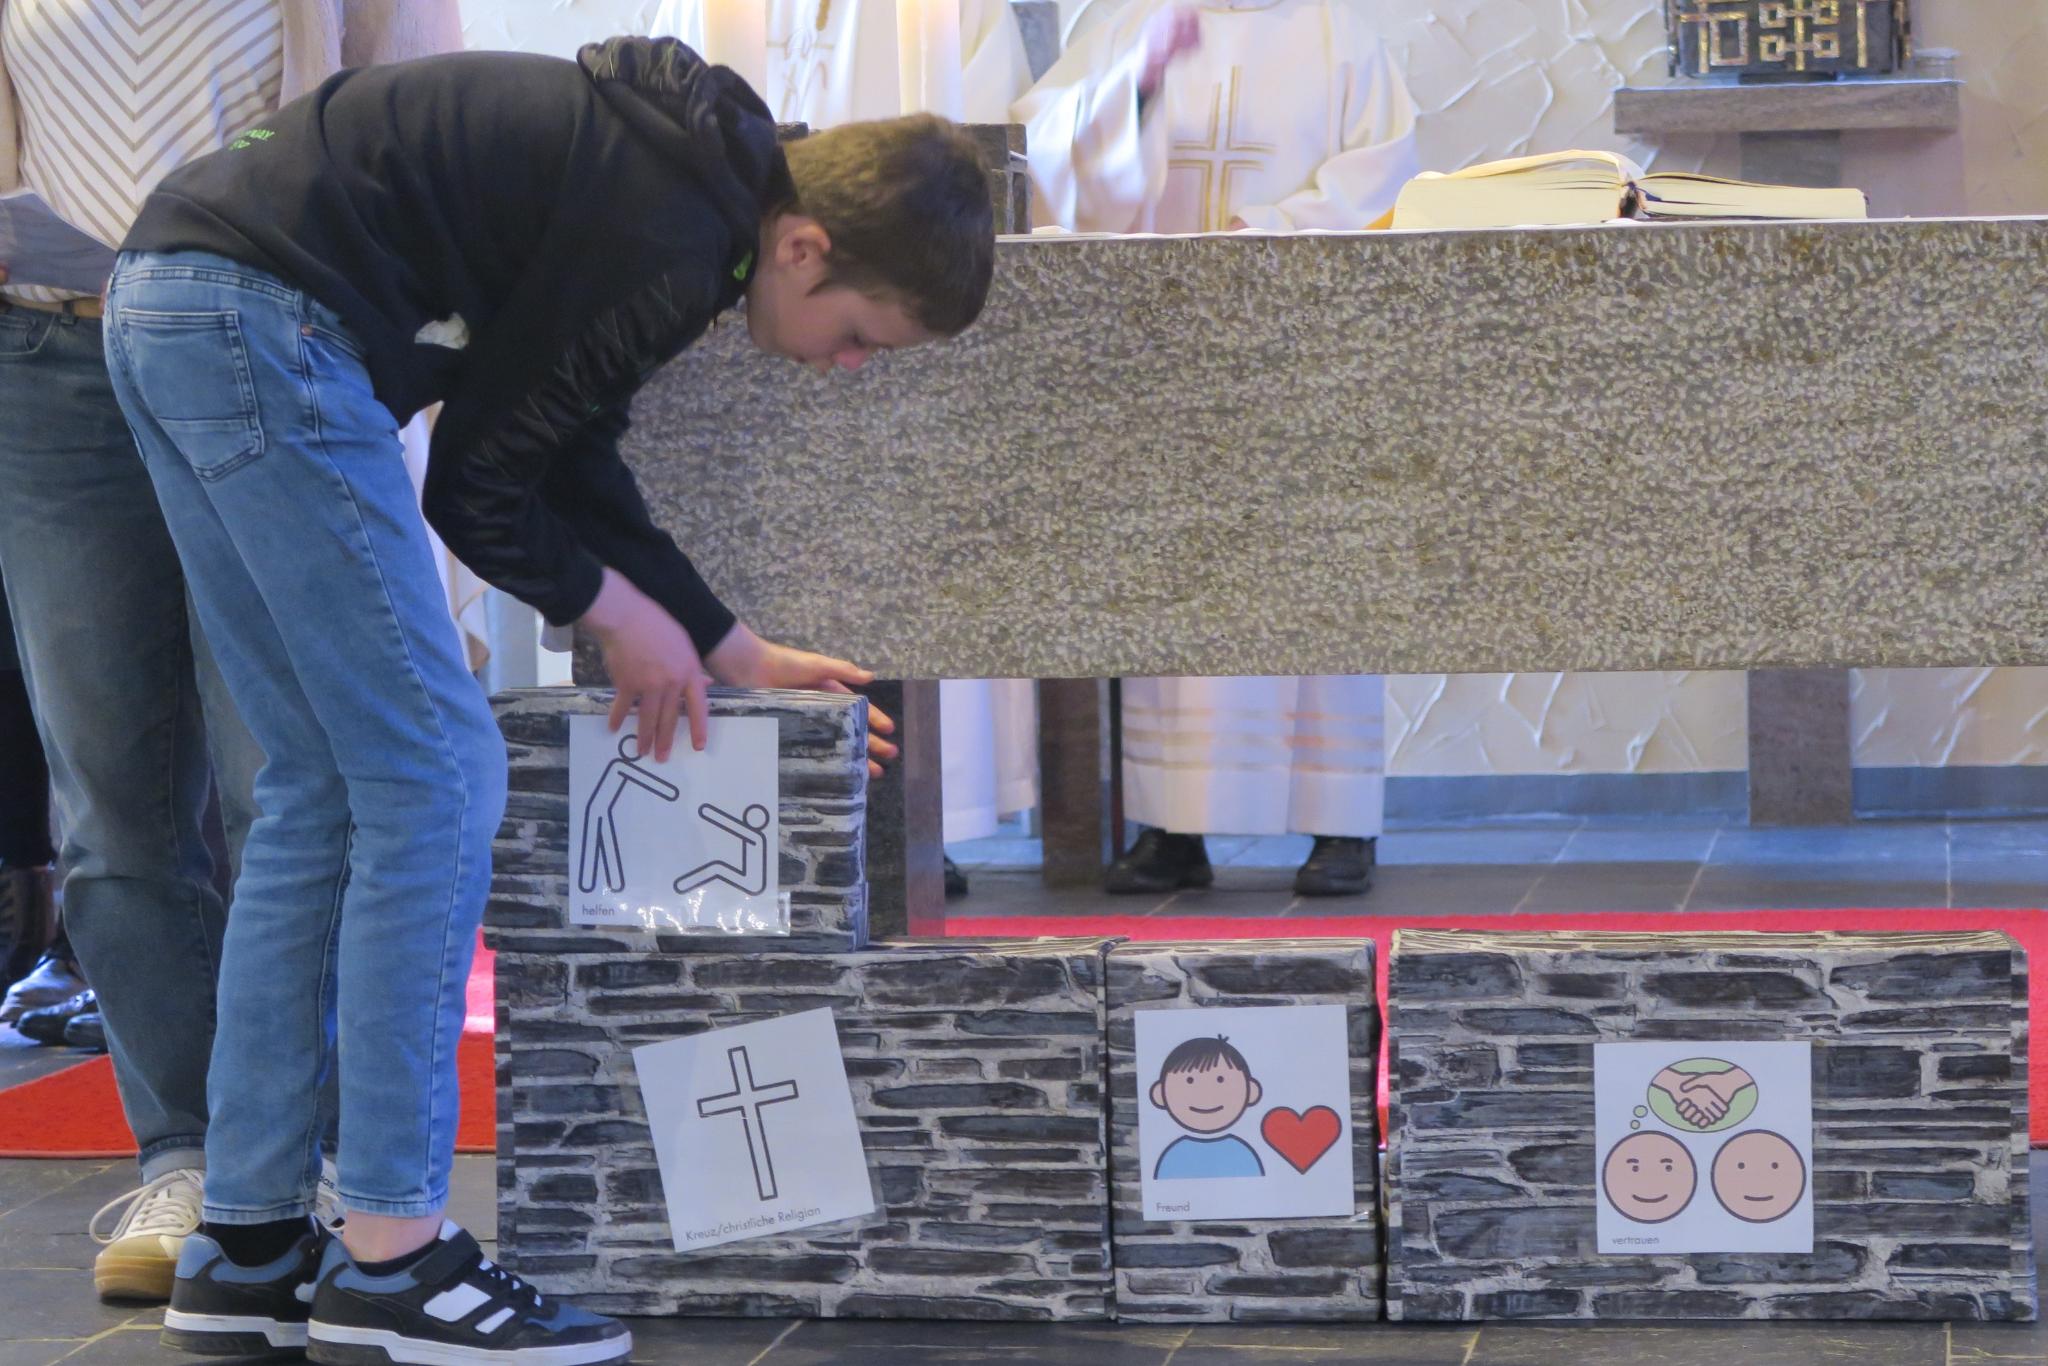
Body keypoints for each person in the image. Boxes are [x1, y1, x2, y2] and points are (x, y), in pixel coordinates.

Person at [109, 37, 975, 1364]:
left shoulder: (675, 184)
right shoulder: (677, 223)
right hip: (264, 325)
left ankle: (250, 1237)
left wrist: (724, 643)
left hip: (168, 297)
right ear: (802, 246)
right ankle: (395, 1250)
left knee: (318, 784)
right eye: (861, 337)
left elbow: (561, 440)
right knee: (437, 774)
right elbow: (478, 484)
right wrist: (618, 614)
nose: (845, 367)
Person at [0, 0, 460, 1301]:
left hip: (262, 357)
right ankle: (189, 1156)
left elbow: (411, 147)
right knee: (109, 794)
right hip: (45, 349)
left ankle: (288, 1163)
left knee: (289, 781)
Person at [1017, 1, 1417, 898]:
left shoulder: (1337, 32)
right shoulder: (1131, 23)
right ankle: (1173, 824)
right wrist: (1141, 79)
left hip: (1299, 350)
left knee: (1315, 578)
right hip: (1168, 349)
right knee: (1175, 576)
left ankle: (1341, 822)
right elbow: (1048, 152)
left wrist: (1265, 231)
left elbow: (1386, 175)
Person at [1150, 1035, 1265, 1179]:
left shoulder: (1243, 1154)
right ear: (1160, 1094)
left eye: (1220, 1079)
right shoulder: (1173, 1157)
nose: (1205, 1092)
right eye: (1189, 1080)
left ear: (1251, 1090)